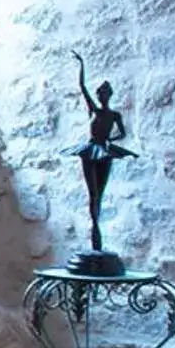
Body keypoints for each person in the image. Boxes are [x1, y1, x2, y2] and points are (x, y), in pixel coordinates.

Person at [67, 53, 135, 256]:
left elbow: (122, 133)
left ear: (109, 96)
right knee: (93, 193)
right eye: (100, 94)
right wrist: (82, 63)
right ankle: (95, 234)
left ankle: (97, 235)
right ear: (98, 96)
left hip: (104, 150)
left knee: (100, 194)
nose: (102, 97)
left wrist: (110, 142)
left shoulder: (115, 115)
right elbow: (82, 87)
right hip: (91, 150)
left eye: (105, 94)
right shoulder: (94, 110)